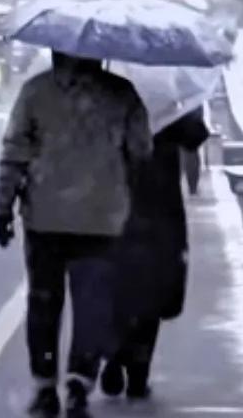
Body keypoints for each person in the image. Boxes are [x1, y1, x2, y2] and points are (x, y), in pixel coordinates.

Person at [0, 50, 153, 417]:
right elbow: (141, 151)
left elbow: (15, 152)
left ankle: (44, 387)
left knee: (43, 303)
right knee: (92, 305)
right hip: (102, 220)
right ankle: (79, 384)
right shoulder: (122, 94)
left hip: (44, 217)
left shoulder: (35, 92)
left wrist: (4, 206)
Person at [100, 107, 209, 401]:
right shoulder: (167, 107)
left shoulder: (107, 99)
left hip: (113, 212)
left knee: (116, 289)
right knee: (154, 292)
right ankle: (139, 373)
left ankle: (114, 353)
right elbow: (196, 136)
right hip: (161, 214)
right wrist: (186, 110)